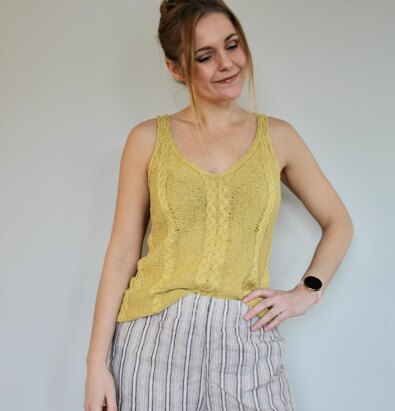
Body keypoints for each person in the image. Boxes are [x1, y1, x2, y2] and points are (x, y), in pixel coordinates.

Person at [84, 1, 354, 410]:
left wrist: (306, 292)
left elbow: (339, 222)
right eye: (205, 56)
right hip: (154, 339)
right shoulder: (147, 139)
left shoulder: (279, 138)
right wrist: (95, 364)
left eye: (232, 45)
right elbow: (122, 253)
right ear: (176, 69)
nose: (227, 63)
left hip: (246, 334)